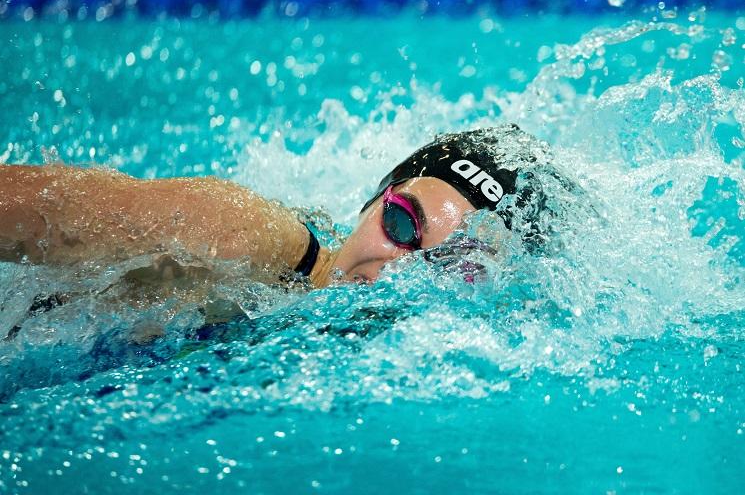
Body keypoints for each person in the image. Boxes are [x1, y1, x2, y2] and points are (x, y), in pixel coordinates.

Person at [0, 124, 553, 293]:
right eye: (403, 223)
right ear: (371, 202)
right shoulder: (246, 235)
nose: (397, 268)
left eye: (455, 263)